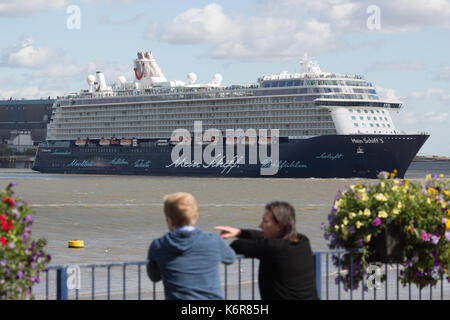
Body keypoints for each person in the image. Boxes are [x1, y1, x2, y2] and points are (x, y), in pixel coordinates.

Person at [214, 201, 318, 300]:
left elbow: (238, 245)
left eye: (265, 222)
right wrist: (240, 232)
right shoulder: (303, 241)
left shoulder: (273, 248)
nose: (260, 225)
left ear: (279, 226)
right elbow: (262, 237)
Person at [147, 192, 236, 300]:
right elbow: (230, 258)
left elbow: (154, 276)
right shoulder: (213, 241)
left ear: (169, 219)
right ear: (196, 215)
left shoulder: (159, 245)